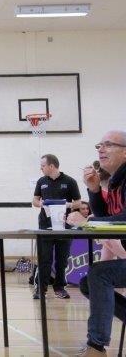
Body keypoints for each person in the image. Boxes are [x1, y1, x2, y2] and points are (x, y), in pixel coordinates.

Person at [66, 131, 126, 356]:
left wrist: (87, 222)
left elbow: (122, 219)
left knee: (99, 274)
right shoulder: (117, 182)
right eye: (99, 145)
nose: (101, 149)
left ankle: (96, 346)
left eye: (108, 145)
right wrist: (94, 189)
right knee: (88, 282)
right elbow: (107, 217)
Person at [32, 154, 81, 300]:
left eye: (43, 166)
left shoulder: (70, 181)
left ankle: (59, 288)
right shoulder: (41, 181)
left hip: (64, 226)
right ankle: (41, 289)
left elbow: (78, 202)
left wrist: (68, 205)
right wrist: (42, 203)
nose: (41, 168)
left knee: (62, 260)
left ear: (51, 166)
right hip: (45, 226)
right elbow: (35, 200)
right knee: (44, 259)